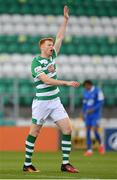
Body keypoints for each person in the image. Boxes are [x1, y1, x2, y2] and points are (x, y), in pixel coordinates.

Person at [23, 6, 80, 173]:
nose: (51, 47)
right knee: (35, 132)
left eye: (51, 45)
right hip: (41, 103)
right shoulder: (36, 62)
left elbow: (60, 36)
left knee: (68, 129)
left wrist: (65, 20)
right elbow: (46, 80)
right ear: (42, 47)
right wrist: (66, 83)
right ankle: (27, 164)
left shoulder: (53, 56)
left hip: (55, 101)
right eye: (48, 45)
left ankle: (65, 164)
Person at [82, 80, 105, 156]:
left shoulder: (98, 91)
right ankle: (89, 150)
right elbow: (84, 104)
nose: (85, 88)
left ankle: (101, 144)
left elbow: (101, 102)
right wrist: (83, 112)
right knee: (88, 131)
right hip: (88, 115)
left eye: (86, 86)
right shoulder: (85, 92)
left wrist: (93, 109)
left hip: (96, 115)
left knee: (95, 130)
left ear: (89, 85)